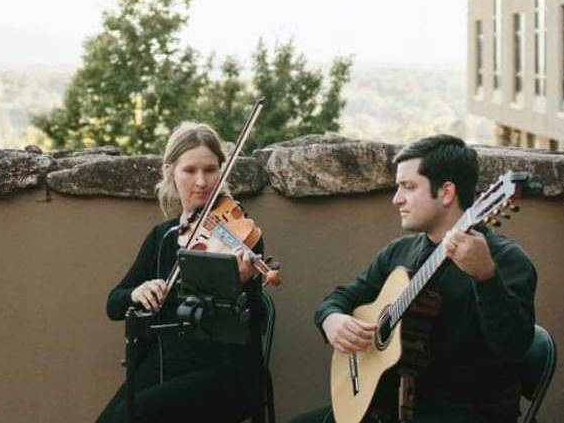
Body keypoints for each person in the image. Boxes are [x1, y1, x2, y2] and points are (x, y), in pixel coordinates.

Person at [290, 134, 536, 423]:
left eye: (408, 187)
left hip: (461, 412)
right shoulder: (399, 252)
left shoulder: (506, 260)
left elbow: (514, 348)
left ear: (446, 192)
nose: (396, 199)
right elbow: (340, 298)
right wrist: (332, 319)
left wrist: (486, 278)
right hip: (384, 406)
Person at [96, 122, 266, 423]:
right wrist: (137, 292)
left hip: (224, 371)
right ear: (171, 172)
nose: (201, 181)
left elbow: (257, 323)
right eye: (190, 170)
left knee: (131, 418)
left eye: (210, 170)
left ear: (221, 171)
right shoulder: (163, 236)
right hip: (163, 364)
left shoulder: (238, 235)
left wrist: (237, 286)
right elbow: (114, 304)